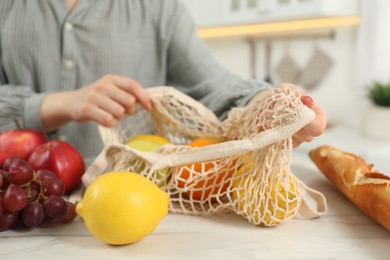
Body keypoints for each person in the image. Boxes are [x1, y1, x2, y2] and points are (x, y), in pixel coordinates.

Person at [0, 0, 326, 160]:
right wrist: (55, 105)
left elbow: (214, 85)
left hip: (135, 203)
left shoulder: (158, 8)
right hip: (19, 213)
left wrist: (263, 107)